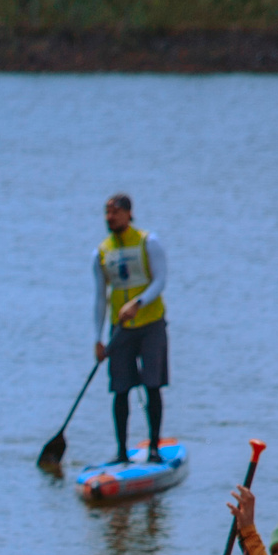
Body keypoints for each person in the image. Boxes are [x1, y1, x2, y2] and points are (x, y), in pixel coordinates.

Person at [94, 192, 168, 465]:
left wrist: (139, 302)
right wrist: (97, 339)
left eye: (114, 212)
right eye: (107, 212)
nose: (109, 217)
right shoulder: (102, 251)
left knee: (152, 385)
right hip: (120, 329)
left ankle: (154, 449)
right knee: (120, 389)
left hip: (150, 324)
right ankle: (121, 452)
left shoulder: (149, 242)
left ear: (128, 213)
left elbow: (160, 280)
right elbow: (99, 298)